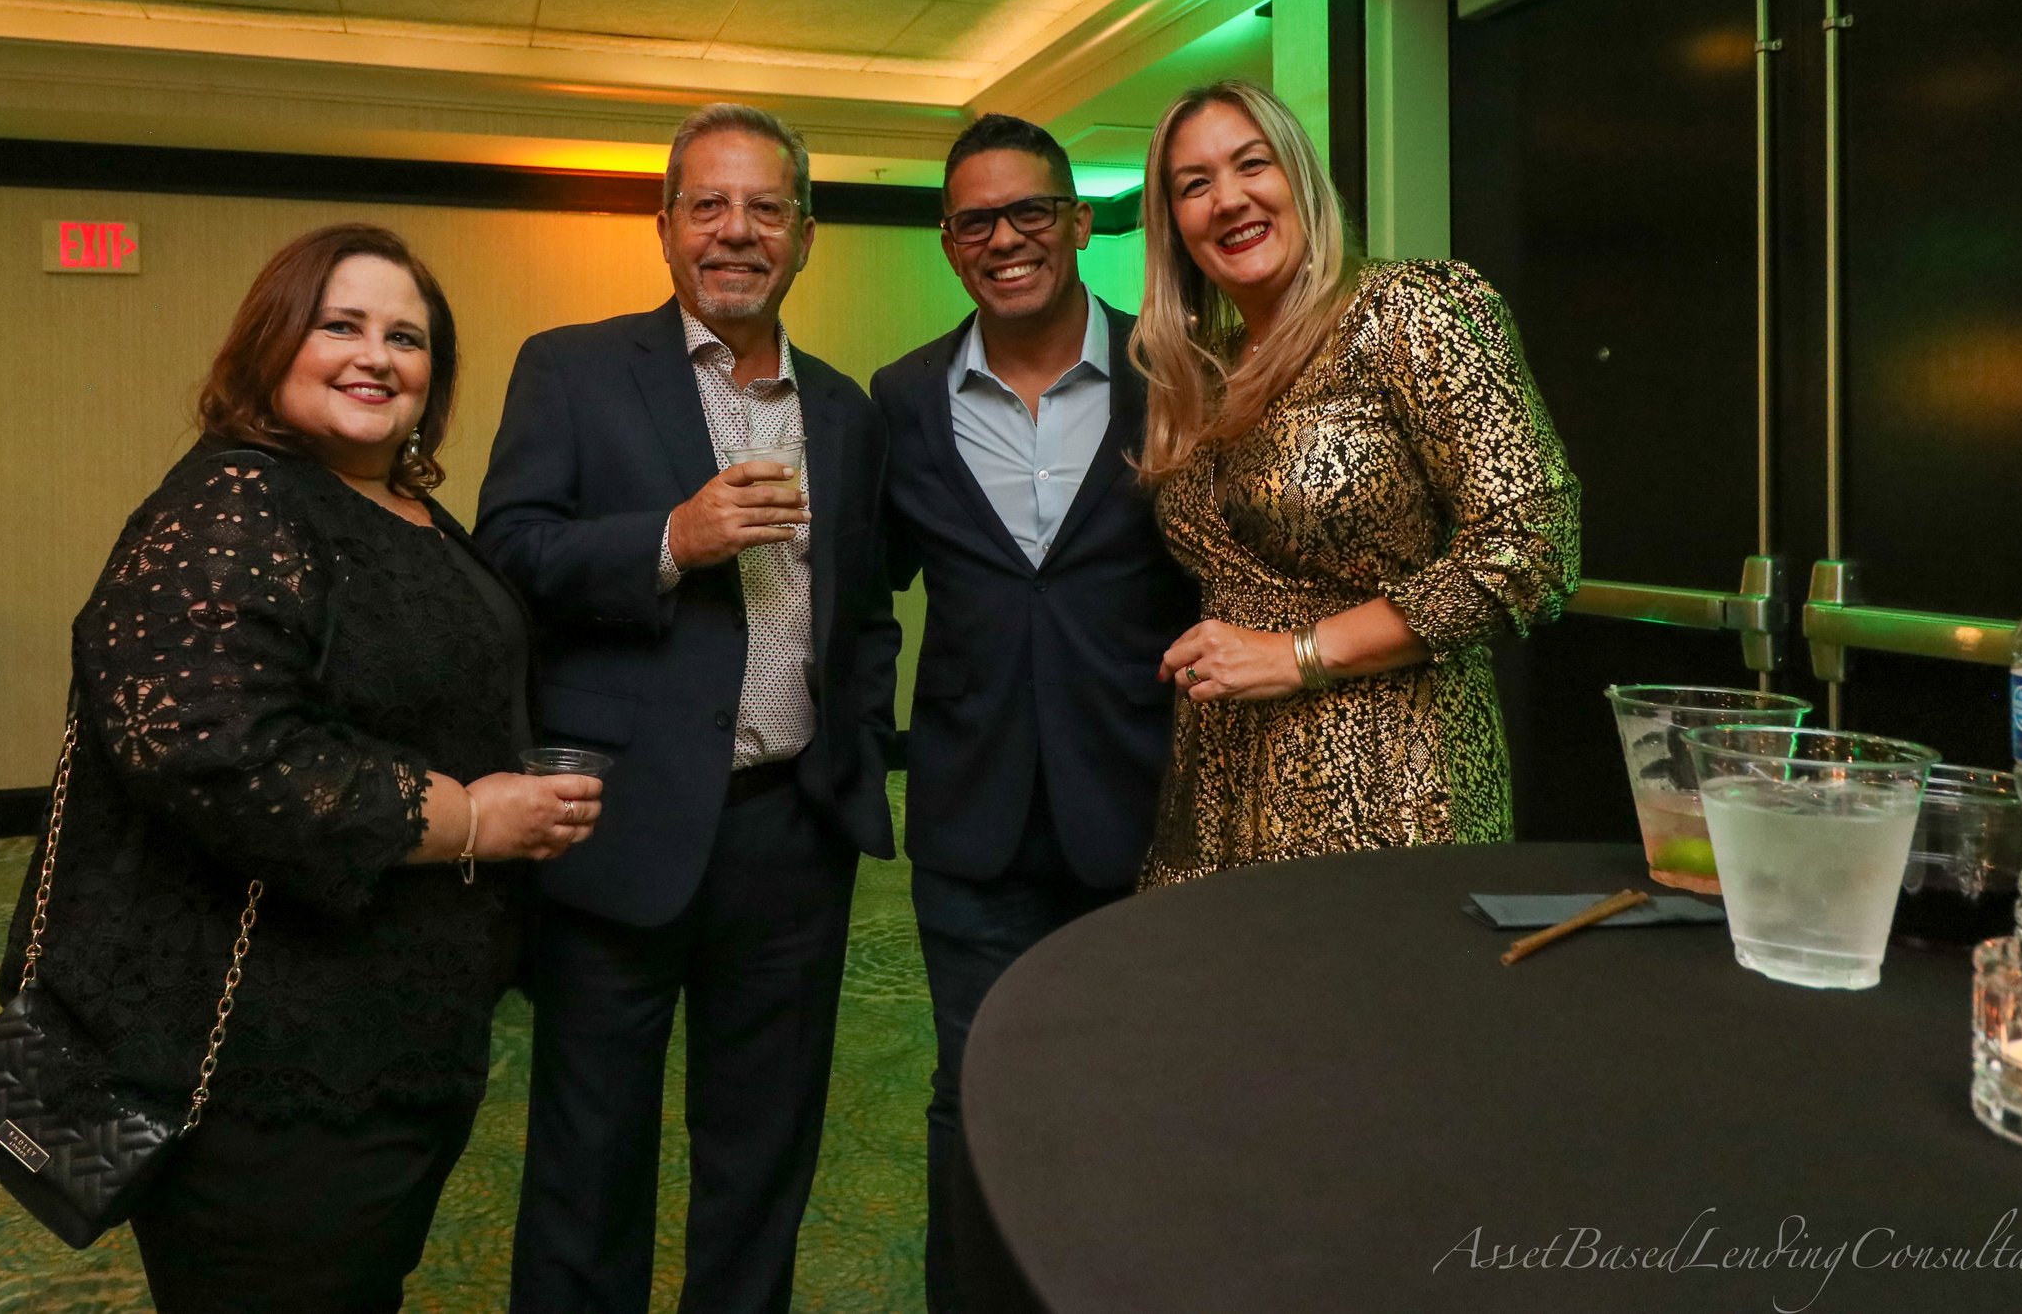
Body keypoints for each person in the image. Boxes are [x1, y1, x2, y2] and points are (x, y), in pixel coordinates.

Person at [0, 223, 602, 1314]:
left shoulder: (404, 506)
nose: (377, 356)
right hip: (259, 1061)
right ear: (272, 342)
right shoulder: (238, 496)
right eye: (341, 325)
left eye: (407, 337)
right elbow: (210, 746)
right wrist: (469, 818)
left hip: (397, 1026)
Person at [477, 104, 899, 1314]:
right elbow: (508, 553)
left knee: (763, 1151)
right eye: (708, 205)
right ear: (664, 227)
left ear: (805, 235)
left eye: (765, 208)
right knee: (590, 1148)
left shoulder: (845, 409)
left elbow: (866, 611)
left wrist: (852, 760)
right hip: (618, 821)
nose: (735, 231)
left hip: (790, 832)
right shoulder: (572, 367)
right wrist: (669, 537)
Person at [870, 113, 1196, 1314]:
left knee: (1140, 1092)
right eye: (975, 221)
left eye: (1029, 211)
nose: (1004, 238)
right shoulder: (902, 397)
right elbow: (862, 596)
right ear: (947, 242)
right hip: (974, 817)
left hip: (1149, 805)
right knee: (975, 1095)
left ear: (1080, 221)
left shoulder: (1181, 374)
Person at [1130, 80, 1579, 886]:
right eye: (1195, 185)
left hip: (1388, 775)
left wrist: (1298, 652)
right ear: (1174, 226)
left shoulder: (1408, 311)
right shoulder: (1204, 372)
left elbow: (1533, 546)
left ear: (1300, 176)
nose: (1228, 199)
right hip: (1221, 781)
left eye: (1252, 164)